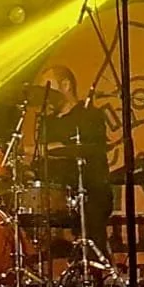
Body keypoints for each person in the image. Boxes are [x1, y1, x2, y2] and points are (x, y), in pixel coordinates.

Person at [35, 65, 113, 256]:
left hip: (90, 190)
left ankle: (95, 273)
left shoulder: (89, 115)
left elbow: (87, 149)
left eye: (48, 88)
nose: (44, 95)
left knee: (92, 223)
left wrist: (38, 150)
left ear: (66, 85)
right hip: (56, 193)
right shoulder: (48, 122)